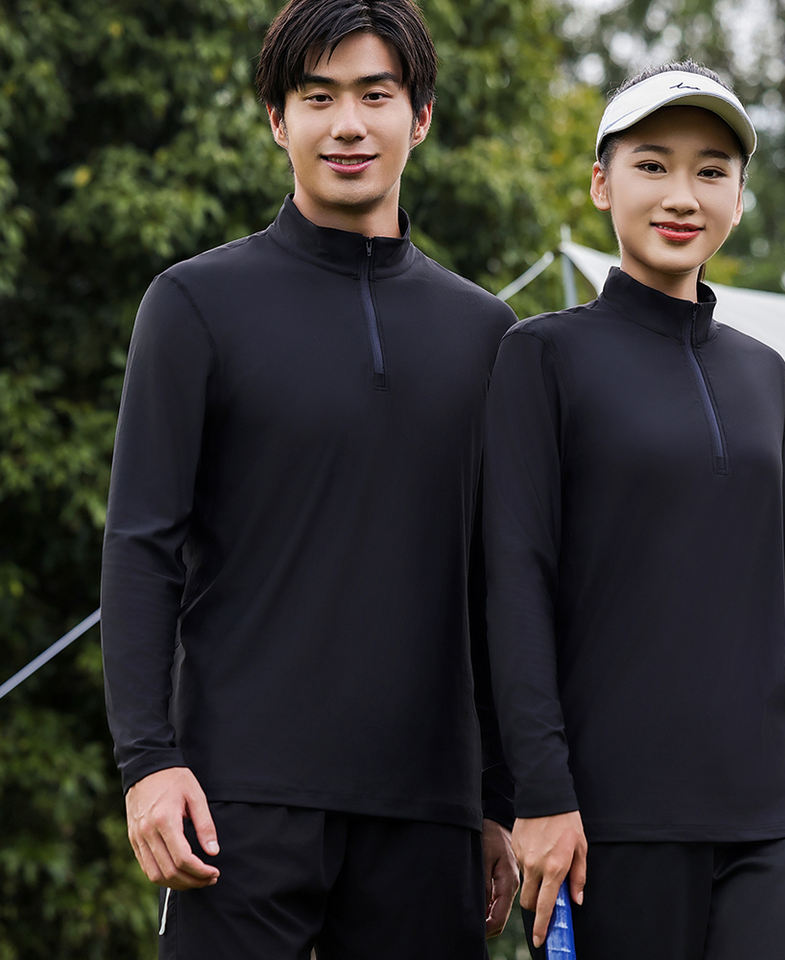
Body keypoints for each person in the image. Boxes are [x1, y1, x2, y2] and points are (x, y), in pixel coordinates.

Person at [100, 1, 519, 957]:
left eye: (376, 94)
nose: (347, 125)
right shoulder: (194, 304)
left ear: (420, 117)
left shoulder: (487, 335)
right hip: (235, 806)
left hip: (430, 812)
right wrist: (147, 763)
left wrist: (500, 799)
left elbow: (495, 584)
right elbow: (140, 547)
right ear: (277, 120)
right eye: (318, 96)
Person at [483, 61, 785, 959]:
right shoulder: (541, 359)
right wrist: (540, 794)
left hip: (776, 824)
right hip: (609, 827)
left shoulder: (765, 377)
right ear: (602, 184)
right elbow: (514, 590)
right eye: (652, 165)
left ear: (739, 199)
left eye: (712, 171)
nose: (682, 195)